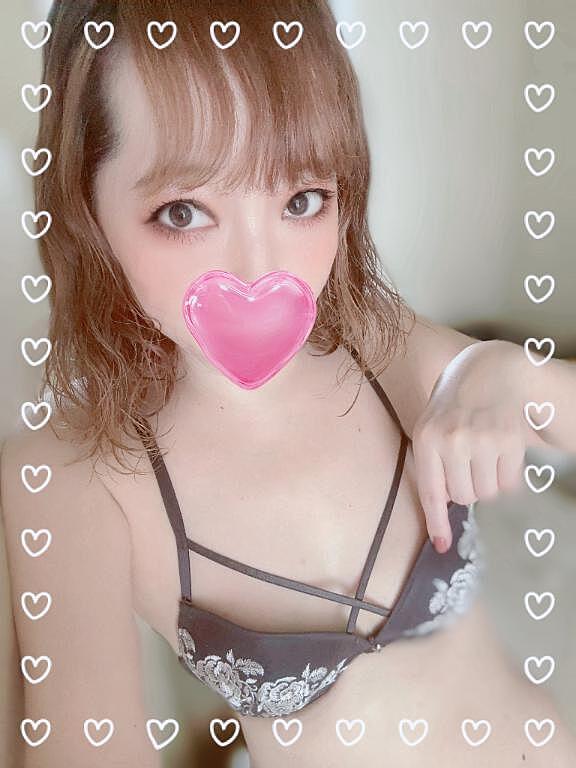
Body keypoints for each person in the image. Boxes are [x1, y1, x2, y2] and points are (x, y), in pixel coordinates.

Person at [2, 1, 575, 766]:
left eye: (302, 200)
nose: (259, 272)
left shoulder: (368, 336)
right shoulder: (72, 474)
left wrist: (509, 372)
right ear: (85, 208)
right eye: (183, 211)